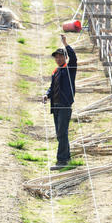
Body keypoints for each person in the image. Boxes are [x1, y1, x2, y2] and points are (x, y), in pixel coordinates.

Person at [42, 34, 77, 170]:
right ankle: (66, 157)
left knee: (62, 133)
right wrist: (46, 95)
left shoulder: (69, 70)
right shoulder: (56, 71)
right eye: (56, 57)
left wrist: (66, 44)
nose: (58, 59)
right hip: (55, 107)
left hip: (65, 106)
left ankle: (61, 161)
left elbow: (73, 58)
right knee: (60, 133)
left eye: (60, 56)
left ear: (65, 57)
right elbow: (52, 87)